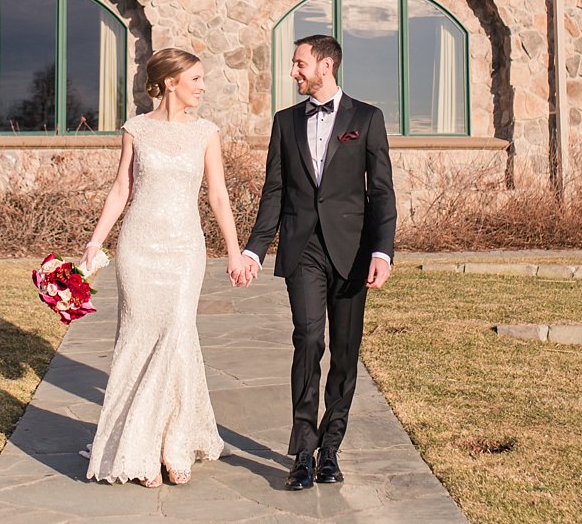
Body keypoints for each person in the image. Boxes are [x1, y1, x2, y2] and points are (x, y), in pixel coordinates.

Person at [239, 34, 397, 491]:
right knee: (308, 339)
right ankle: (303, 451)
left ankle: (332, 448)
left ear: (326, 66)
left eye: (299, 63)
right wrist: (255, 248)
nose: (293, 72)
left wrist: (382, 251)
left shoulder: (367, 118)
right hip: (303, 247)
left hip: (353, 252)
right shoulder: (285, 122)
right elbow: (274, 190)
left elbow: (382, 191)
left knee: (345, 352)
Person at [82, 48, 246, 487]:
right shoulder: (135, 130)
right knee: (137, 338)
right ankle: (138, 449)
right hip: (138, 248)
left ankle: (174, 446)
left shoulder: (207, 133)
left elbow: (218, 197)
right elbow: (121, 189)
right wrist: (95, 242)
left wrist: (233, 250)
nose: (203, 87)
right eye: (196, 79)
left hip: (183, 251)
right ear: (170, 81)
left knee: (176, 333)